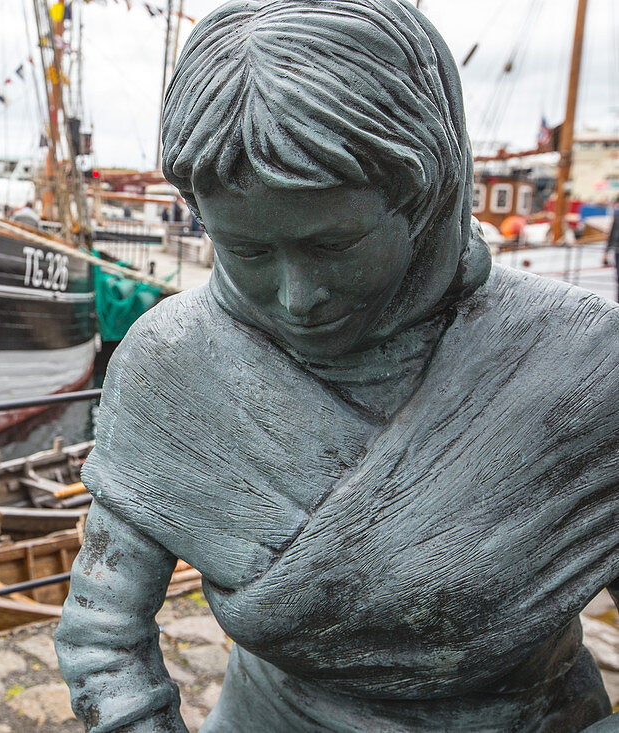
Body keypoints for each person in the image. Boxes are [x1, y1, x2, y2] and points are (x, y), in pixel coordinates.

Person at [54, 2, 619, 731]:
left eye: (333, 246)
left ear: (423, 194)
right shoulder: (172, 364)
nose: (297, 299)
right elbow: (103, 635)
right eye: (249, 252)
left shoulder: (583, 363)